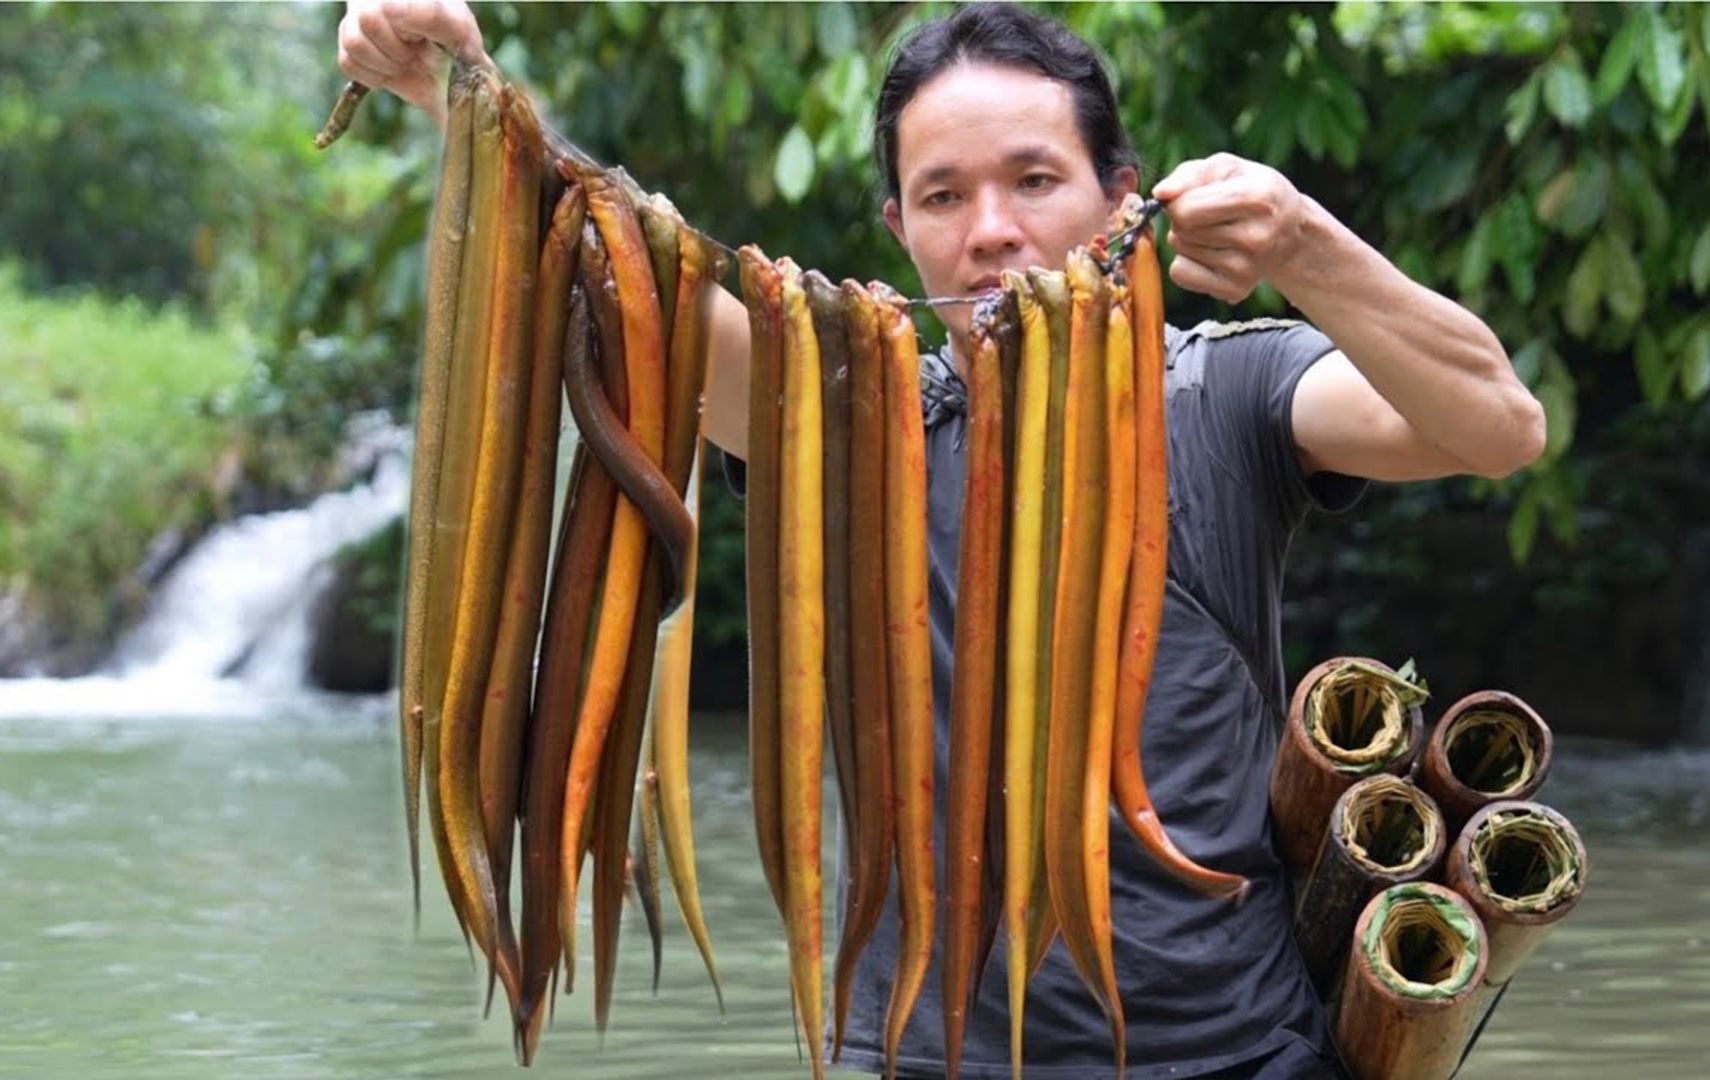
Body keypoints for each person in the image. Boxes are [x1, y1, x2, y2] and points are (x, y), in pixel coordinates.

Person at [338, 3, 1544, 1077]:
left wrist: (1301, 246)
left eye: (1035, 180)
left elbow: (1495, 426)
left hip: (1232, 1048)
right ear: (898, 229)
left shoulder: (1226, 397)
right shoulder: (850, 419)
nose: (993, 233)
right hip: (919, 1052)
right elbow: (626, 282)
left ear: (1123, 199)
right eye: (944, 196)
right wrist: (460, 94)